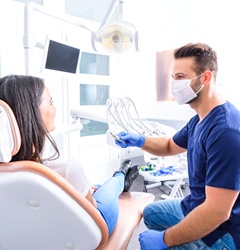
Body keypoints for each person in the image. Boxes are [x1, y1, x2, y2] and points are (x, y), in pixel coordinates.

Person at [114, 43, 240, 250]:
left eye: (180, 77)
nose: (174, 85)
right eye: (173, 78)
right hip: (197, 204)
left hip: (226, 230)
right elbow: (169, 145)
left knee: (165, 242)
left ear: (205, 78)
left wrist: (164, 240)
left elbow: (217, 212)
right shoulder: (200, 119)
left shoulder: (227, 133)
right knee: (150, 213)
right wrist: (140, 140)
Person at [0, 74, 139, 236]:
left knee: (96, 187)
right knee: (111, 188)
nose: (55, 108)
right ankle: (121, 176)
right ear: (31, 112)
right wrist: (87, 194)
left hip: (30, 237)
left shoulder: (8, 173)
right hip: (87, 233)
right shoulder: (67, 169)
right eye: (51, 102)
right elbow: (92, 211)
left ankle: (103, 184)